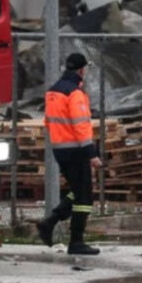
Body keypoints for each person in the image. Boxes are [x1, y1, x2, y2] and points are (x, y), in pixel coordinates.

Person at [36, 52, 102, 256]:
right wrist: (92, 153)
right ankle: (75, 241)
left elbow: (48, 121)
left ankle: (51, 222)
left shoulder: (53, 91)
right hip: (77, 150)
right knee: (84, 196)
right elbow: (81, 125)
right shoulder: (75, 93)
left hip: (60, 149)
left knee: (78, 189)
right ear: (82, 70)